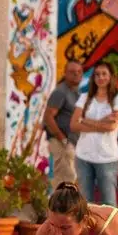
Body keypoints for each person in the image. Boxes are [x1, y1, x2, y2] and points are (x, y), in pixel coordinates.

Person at [69, 62, 118, 205]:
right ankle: (88, 229)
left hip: (107, 158)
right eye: (97, 74)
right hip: (84, 156)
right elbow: (74, 124)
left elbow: (112, 126)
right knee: (84, 204)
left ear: (111, 77)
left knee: (109, 204)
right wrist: (101, 123)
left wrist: (86, 121)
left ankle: (109, 228)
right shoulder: (85, 98)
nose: (100, 77)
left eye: (104, 74)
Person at [43, 59, 83, 189]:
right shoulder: (60, 92)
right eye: (72, 72)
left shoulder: (76, 93)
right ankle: (60, 208)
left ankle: (61, 207)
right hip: (61, 143)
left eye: (78, 72)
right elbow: (48, 117)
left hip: (71, 142)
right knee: (66, 179)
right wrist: (62, 139)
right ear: (65, 73)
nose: (76, 74)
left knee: (69, 179)